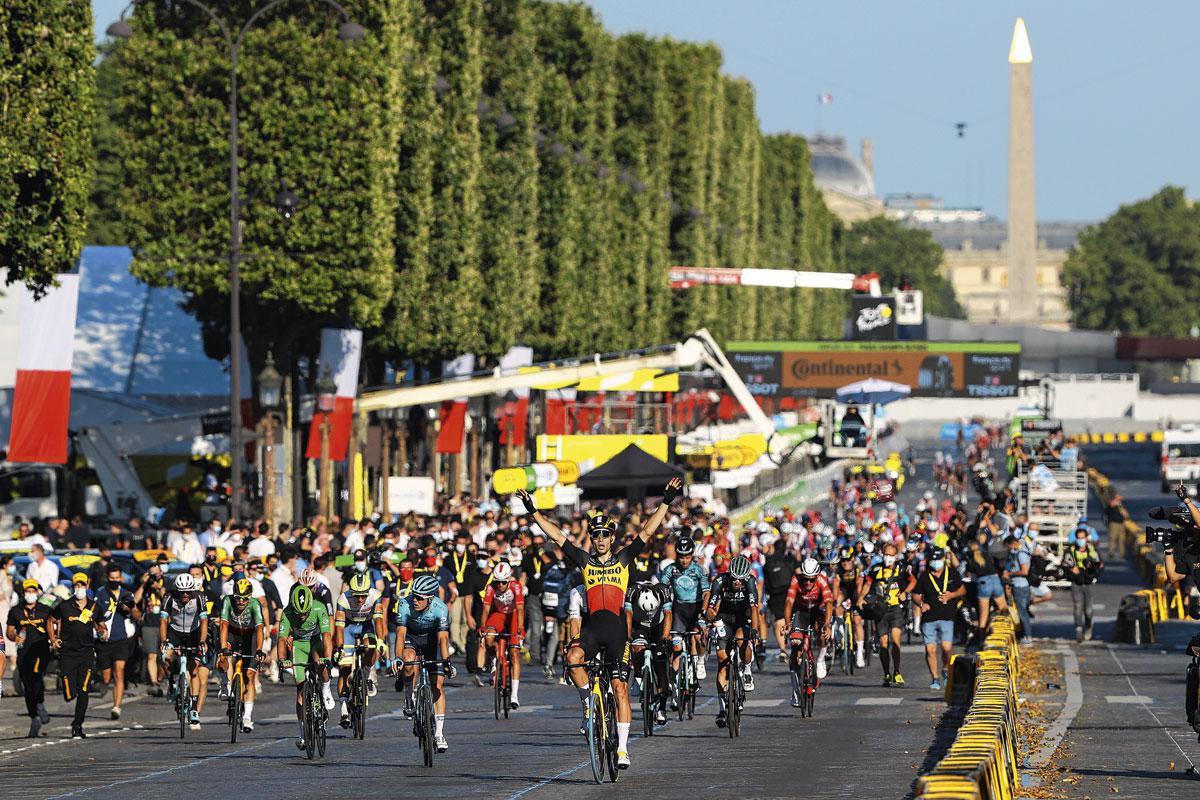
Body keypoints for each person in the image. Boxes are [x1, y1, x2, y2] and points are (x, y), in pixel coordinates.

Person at [516, 477, 680, 770]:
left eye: (605, 535)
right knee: (573, 658)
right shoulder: (584, 562)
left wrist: (666, 501)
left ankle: (623, 749)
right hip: (593, 630)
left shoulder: (623, 560)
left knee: (619, 689)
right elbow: (557, 536)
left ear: (612, 538)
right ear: (591, 539)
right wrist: (533, 511)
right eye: (596, 535)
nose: (601, 539)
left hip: (617, 631)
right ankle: (588, 703)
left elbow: (647, 530)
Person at [392, 573, 454, 752]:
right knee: (409, 662)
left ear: (430, 598)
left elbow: (443, 638)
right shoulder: (404, 603)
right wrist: (398, 657)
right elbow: (401, 634)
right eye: (414, 595)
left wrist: (447, 661)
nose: (415, 600)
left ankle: (439, 733)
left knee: (438, 686)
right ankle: (408, 696)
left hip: (432, 640)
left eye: (419, 597)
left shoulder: (440, 608)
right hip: (411, 637)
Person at [277, 583, 335, 751]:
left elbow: (326, 635)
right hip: (299, 646)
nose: (302, 616)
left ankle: (325, 687)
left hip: (316, 643)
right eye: (298, 613)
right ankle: (302, 733)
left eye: (305, 613)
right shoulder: (287, 612)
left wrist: (328, 658)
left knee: (321, 662)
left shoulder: (319, 608)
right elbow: (281, 639)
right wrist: (282, 659)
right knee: (300, 690)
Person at [707, 555, 762, 727]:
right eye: (734, 579)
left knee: (741, 638)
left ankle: (746, 669)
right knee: (722, 661)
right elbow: (709, 609)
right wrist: (715, 621)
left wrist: (755, 631)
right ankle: (723, 709)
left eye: (741, 580)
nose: (737, 582)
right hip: (724, 618)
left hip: (742, 617)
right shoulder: (720, 580)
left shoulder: (751, 581)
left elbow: (754, 609)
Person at [49, 573, 105, 739]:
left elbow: (100, 625)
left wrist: (103, 632)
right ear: (73, 587)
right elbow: (50, 619)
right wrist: (53, 639)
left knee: (84, 690)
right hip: (67, 654)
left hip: (86, 653)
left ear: (87, 586)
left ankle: (77, 725)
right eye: (77, 586)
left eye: (82, 585)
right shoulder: (64, 606)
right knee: (69, 693)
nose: (80, 589)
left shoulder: (94, 607)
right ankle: (70, 696)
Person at [333, 571, 384, 728]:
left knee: (372, 647)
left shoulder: (375, 596)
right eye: (357, 596)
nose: (360, 600)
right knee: (345, 667)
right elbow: (339, 628)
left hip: (366, 626)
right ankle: (343, 709)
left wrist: (381, 641)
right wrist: (340, 647)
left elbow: (379, 620)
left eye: (363, 596)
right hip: (348, 627)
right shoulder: (343, 599)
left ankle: (367, 676)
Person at [860, 542, 915, 687]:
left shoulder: (902, 569)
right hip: (881, 609)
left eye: (891, 555)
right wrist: (860, 599)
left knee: (896, 640)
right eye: (886, 555)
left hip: (896, 608)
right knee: (884, 643)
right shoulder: (876, 569)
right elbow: (867, 584)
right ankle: (886, 674)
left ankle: (897, 671)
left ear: (896, 556)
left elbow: (913, 581)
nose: (888, 558)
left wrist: (905, 592)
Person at [161, 573, 211, 728]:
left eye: (188, 592)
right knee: (165, 657)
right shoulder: (169, 597)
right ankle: (170, 682)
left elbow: (204, 621)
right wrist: (164, 641)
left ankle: (194, 708)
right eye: (182, 592)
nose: (184, 595)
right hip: (175, 632)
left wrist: (202, 641)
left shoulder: (199, 597)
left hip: (194, 633)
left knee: (194, 669)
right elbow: (163, 620)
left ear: (192, 590)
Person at [911, 549, 965, 690]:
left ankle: (946, 669)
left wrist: (951, 595)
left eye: (938, 559)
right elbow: (915, 595)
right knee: (930, 650)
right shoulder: (924, 577)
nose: (936, 563)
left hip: (947, 616)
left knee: (947, 648)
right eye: (933, 560)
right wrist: (922, 604)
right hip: (929, 618)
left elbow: (962, 590)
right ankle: (934, 678)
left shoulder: (952, 573)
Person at [217, 577, 265, 732]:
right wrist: (224, 647)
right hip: (232, 633)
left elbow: (259, 629)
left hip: (249, 637)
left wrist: (259, 649)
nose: (240, 602)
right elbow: (223, 625)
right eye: (238, 598)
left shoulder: (255, 604)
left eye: (244, 599)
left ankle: (247, 717)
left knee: (249, 677)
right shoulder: (227, 601)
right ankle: (225, 683)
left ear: (250, 597)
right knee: (222, 654)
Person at [659, 534, 710, 680]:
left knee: (699, 636)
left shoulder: (699, 569)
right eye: (681, 556)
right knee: (676, 646)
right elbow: (662, 587)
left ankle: (700, 660)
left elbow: (707, 592)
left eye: (687, 557)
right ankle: (675, 682)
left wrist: (704, 610)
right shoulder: (670, 569)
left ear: (692, 555)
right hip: (679, 610)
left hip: (696, 608)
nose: (684, 560)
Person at [93, 562, 140, 720]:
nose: (115, 580)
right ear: (107, 578)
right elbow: (93, 614)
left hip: (121, 639)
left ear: (121, 578)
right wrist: (99, 629)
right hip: (104, 640)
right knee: (107, 676)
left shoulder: (127, 594)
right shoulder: (100, 593)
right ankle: (103, 682)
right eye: (112, 578)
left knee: (119, 672)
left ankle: (117, 707)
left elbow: (138, 616)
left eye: (117, 578)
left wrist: (130, 609)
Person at [477, 561, 525, 709]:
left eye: (503, 583)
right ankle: (494, 659)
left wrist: (521, 628)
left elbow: (520, 608)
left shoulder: (516, 586)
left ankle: (514, 695)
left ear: (508, 579)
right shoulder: (491, 587)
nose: (500, 586)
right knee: (488, 638)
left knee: (514, 652)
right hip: (498, 614)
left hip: (514, 615)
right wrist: (483, 627)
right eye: (498, 582)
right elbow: (485, 609)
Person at [7, 579, 52, 737]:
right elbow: (10, 631)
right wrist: (14, 637)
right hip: (23, 653)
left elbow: (53, 627)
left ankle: (40, 702)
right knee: (27, 686)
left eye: (33, 591)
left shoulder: (45, 610)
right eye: (27, 591)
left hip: (41, 651)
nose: (30, 594)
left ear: (37, 592)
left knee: (36, 677)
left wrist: (54, 639)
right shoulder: (16, 611)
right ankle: (34, 717)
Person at [626, 580, 672, 726]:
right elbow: (627, 614)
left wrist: (664, 637)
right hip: (640, 625)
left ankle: (662, 708)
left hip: (659, 626)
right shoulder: (632, 591)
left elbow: (668, 614)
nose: (649, 613)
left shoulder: (663, 591)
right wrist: (628, 637)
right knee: (637, 646)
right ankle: (638, 674)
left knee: (661, 667)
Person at [782, 557, 834, 686]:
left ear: (816, 576)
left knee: (823, 634)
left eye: (812, 579)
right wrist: (787, 623)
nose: (808, 583)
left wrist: (827, 625)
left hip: (818, 610)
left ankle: (820, 659)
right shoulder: (796, 580)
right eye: (805, 578)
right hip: (801, 612)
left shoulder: (822, 580)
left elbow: (828, 602)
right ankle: (795, 688)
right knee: (795, 648)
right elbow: (789, 602)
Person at [1062, 530, 1102, 642]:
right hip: (1076, 583)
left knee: (1088, 610)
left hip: (1089, 583)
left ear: (1086, 538)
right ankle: (1078, 629)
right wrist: (1071, 570)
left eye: (1083, 538)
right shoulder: (1070, 551)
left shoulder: (1092, 551)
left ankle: (1088, 626)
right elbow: (1064, 564)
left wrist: (1093, 570)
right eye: (1079, 538)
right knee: (1078, 607)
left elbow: (1100, 565)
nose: (1081, 540)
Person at [832, 546, 867, 668]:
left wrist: (857, 601)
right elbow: (836, 586)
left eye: (848, 560)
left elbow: (859, 585)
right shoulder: (838, 569)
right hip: (844, 589)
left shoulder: (858, 567)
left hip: (855, 590)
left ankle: (859, 654)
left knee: (857, 620)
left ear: (852, 558)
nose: (845, 563)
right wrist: (836, 602)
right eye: (843, 560)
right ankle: (841, 634)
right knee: (838, 605)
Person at [1002, 533, 1033, 645]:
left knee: (1022, 613)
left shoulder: (1021, 554)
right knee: (1022, 612)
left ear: (1013, 544)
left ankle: (1028, 636)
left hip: (1020, 586)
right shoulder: (1020, 551)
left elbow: (1024, 571)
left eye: (1008, 546)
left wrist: (1010, 574)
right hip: (1020, 585)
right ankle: (1026, 634)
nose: (1008, 549)